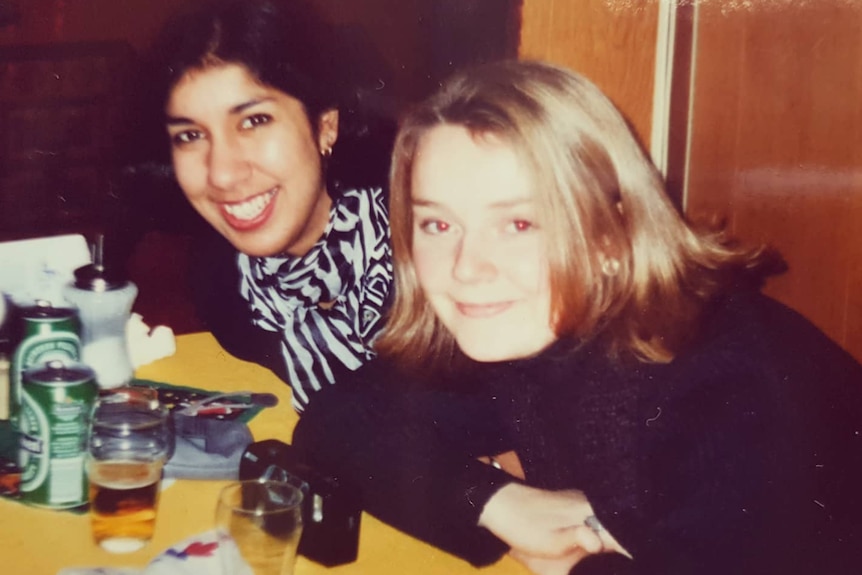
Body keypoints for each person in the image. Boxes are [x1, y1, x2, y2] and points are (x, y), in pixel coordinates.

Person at [292, 60, 862, 574]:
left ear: (612, 235)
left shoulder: (732, 389)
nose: (466, 268)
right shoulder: (533, 328)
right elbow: (339, 420)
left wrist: (569, 565)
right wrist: (502, 504)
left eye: (519, 224)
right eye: (439, 225)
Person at [139, 0, 395, 410]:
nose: (221, 174)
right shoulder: (223, 285)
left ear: (325, 125)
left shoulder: (427, 249)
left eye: (255, 120)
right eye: (189, 135)